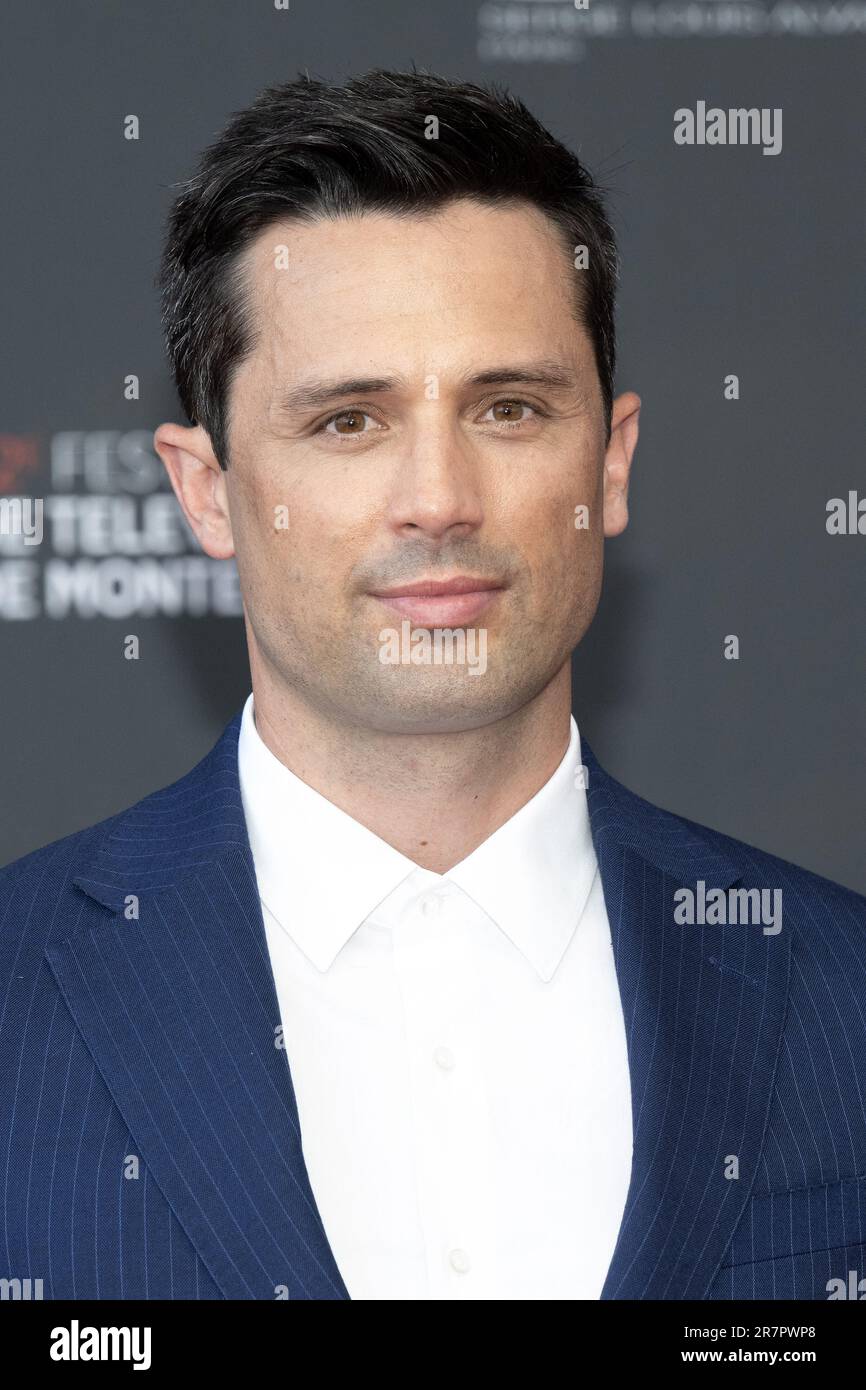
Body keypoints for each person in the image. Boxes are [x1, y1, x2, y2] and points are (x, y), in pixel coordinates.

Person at [2, 70, 864, 1302]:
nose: (440, 496)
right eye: (347, 422)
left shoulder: (843, 994)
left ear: (608, 464)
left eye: (508, 408)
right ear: (204, 492)